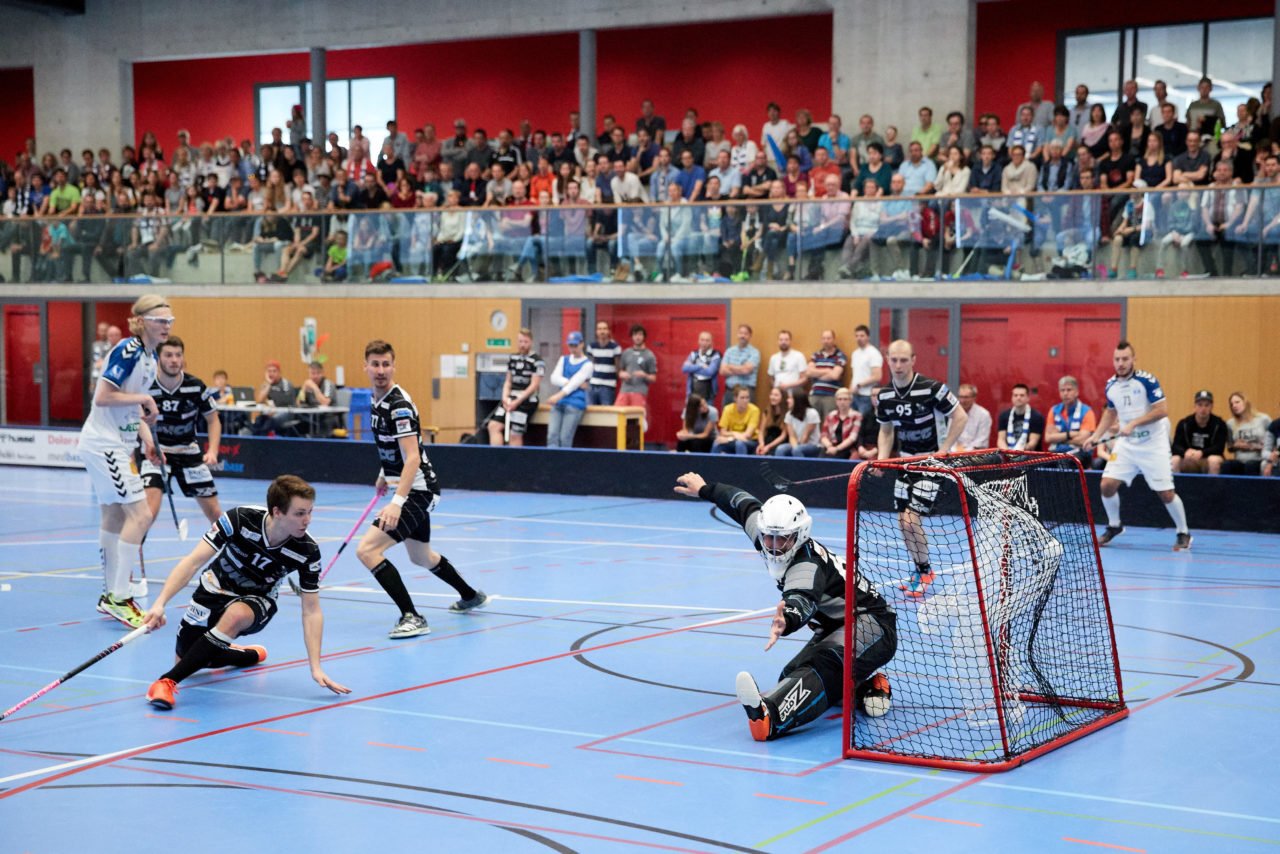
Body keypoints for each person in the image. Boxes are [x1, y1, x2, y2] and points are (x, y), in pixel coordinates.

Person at [673, 472, 895, 740]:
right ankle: (868, 687)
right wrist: (705, 488)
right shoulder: (767, 534)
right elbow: (742, 504)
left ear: (800, 535)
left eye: (783, 539)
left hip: (874, 626)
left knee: (826, 667)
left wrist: (786, 620)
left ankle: (769, 718)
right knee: (792, 677)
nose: (775, 546)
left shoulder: (807, 562)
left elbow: (802, 597)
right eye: (769, 538)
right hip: (838, 626)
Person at [142, 475, 350, 710]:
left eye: (310, 512)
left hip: (258, 600)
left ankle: (165, 682)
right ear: (278, 511)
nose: (308, 520)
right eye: (300, 513)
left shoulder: (307, 551)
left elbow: (312, 611)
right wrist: (160, 603)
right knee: (189, 658)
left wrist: (316, 667)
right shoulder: (239, 519)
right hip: (215, 587)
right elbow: (192, 562)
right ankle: (244, 655)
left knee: (235, 616)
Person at [356, 339, 488, 639]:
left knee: (367, 550)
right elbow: (396, 449)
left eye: (386, 364)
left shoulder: (398, 404)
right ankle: (471, 596)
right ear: (365, 366)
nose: (380, 370)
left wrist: (396, 501)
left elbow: (413, 456)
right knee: (421, 556)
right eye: (374, 364)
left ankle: (412, 616)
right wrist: (384, 473)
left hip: (418, 492)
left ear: (394, 366)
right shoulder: (377, 400)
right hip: (407, 487)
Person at [77, 295, 169, 627]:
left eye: (170, 321)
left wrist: (147, 440)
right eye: (161, 320)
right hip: (104, 444)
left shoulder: (149, 356)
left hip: (119, 443)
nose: (167, 326)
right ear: (142, 321)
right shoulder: (127, 351)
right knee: (140, 514)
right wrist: (145, 397)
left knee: (115, 515)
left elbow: (130, 409)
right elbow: (102, 397)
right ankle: (119, 596)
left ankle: (110, 595)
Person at [875, 339, 967, 596]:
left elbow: (960, 416)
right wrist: (883, 458)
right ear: (887, 360)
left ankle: (925, 570)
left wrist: (945, 448)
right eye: (894, 359)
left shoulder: (932, 389)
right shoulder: (884, 395)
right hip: (905, 463)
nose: (898, 365)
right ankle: (919, 569)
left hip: (931, 464)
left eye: (904, 360)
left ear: (914, 360)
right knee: (902, 523)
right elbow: (885, 430)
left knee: (911, 519)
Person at [1082, 341, 1191, 550]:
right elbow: (1111, 412)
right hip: (1127, 445)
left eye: (1125, 359)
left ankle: (1183, 532)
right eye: (1117, 359)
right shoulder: (1110, 385)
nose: (1121, 363)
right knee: (1106, 485)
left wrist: (1133, 423)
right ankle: (1114, 526)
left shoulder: (1146, 381)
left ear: (1133, 360)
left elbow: (1162, 410)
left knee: (1166, 493)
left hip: (1153, 444)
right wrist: (1096, 436)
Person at [142, 335, 223, 537]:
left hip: (189, 453)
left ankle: (236, 559)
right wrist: (148, 445)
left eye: (178, 355)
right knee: (148, 513)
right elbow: (135, 418)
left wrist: (212, 451)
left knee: (216, 514)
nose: (174, 360)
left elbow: (213, 420)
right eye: (168, 355)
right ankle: (128, 564)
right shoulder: (146, 386)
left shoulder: (196, 386)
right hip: (157, 454)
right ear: (158, 357)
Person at [488, 327, 544, 448]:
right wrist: (504, 398)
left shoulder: (537, 361)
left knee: (515, 433)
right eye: (520, 341)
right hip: (510, 398)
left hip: (526, 400)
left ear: (531, 342)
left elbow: (534, 385)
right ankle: (495, 460)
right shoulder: (513, 358)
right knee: (493, 426)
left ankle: (514, 464)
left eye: (525, 342)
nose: (522, 345)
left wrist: (517, 402)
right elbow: (508, 381)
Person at [545, 331, 593, 448]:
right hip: (559, 404)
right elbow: (553, 378)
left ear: (581, 344)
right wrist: (568, 382)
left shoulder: (588, 364)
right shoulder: (564, 359)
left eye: (575, 345)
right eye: (570, 345)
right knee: (552, 436)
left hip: (574, 404)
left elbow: (575, 383)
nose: (573, 349)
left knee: (565, 438)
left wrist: (559, 395)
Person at [1170, 390, 1228, 475]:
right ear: (1195, 406)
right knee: (1174, 460)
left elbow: (1219, 447)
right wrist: (1185, 452)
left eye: (1206, 405)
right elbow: (1176, 446)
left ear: (1211, 407)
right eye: (1200, 405)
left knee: (1214, 460)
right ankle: (1176, 488)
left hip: (1207, 458)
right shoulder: (1184, 423)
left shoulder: (1219, 424)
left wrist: (1202, 453)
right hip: (1188, 458)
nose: (1203, 409)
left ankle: (1213, 488)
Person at [1045, 375, 1097, 468]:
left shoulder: (1087, 412)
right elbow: (1048, 438)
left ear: (1076, 392)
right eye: (1062, 390)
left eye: (1069, 390)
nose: (1065, 393)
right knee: (1039, 463)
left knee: (1064, 462)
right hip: (1057, 452)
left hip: (1081, 453)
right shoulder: (1053, 410)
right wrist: (1071, 434)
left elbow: (1082, 441)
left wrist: (1059, 437)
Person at [1222, 392, 1272, 476]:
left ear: (1245, 402)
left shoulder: (1263, 419)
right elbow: (1230, 447)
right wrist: (1236, 446)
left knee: (1250, 465)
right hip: (1240, 460)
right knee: (1226, 465)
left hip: (1258, 459)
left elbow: (1273, 439)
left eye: (1237, 402)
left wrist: (1260, 447)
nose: (1234, 406)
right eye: (1231, 404)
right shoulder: (1230, 423)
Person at [616, 324, 657, 423]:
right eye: (635, 334)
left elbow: (653, 377)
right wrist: (622, 374)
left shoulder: (650, 355)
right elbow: (620, 371)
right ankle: (620, 438)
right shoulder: (626, 353)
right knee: (617, 415)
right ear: (632, 337)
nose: (637, 337)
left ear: (644, 337)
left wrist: (644, 374)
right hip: (625, 390)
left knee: (637, 419)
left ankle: (636, 438)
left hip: (639, 391)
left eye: (640, 334)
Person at [804, 329, 846, 421]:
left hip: (831, 395)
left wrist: (817, 373)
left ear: (834, 340)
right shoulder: (816, 355)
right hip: (814, 394)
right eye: (823, 338)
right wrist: (827, 370)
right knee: (811, 422)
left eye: (828, 338)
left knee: (830, 422)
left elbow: (835, 375)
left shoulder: (840, 355)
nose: (826, 341)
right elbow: (808, 373)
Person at [295, 360, 342, 438]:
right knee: (295, 426)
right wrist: (303, 388)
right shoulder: (307, 385)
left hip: (328, 417)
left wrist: (315, 387)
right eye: (313, 373)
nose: (315, 376)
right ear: (309, 374)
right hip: (312, 417)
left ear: (322, 373)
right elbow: (299, 402)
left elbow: (325, 403)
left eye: (318, 373)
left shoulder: (327, 384)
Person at [719, 323, 761, 409]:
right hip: (730, 391)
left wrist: (730, 366)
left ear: (750, 336)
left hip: (747, 392)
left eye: (746, 334)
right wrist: (741, 369)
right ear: (737, 334)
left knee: (746, 420)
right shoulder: (729, 351)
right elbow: (722, 371)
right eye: (741, 333)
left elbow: (746, 370)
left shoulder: (754, 352)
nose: (743, 336)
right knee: (727, 420)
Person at [996, 383, 1045, 451]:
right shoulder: (1004, 415)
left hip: (1030, 457)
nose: (1018, 398)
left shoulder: (1037, 417)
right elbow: (1001, 439)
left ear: (1028, 398)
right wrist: (1007, 453)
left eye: (1022, 395)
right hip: (1008, 455)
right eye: (1015, 395)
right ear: (1012, 398)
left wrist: (1017, 454)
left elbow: (1033, 442)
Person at [848, 325, 882, 419]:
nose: (859, 338)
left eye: (862, 335)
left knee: (862, 422)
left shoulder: (873, 353)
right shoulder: (855, 353)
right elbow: (854, 375)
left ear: (868, 337)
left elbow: (877, 376)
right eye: (857, 336)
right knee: (852, 422)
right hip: (855, 395)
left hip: (866, 396)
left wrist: (859, 385)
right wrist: (850, 390)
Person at [713, 386, 760, 454]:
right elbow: (722, 432)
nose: (745, 400)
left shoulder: (754, 410)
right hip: (733, 439)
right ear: (735, 398)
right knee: (717, 442)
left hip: (750, 441)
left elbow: (748, 435)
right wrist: (734, 434)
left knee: (739, 443)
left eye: (747, 397)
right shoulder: (728, 409)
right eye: (742, 398)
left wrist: (730, 439)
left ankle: (741, 464)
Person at [774, 388, 821, 457]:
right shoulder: (789, 415)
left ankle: (800, 467)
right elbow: (792, 436)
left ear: (797, 400)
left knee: (797, 450)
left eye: (790, 398)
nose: (787, 400)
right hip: (797, 444)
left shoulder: (812, 413)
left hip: (813, 445)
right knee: (780, 449)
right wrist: (795, 447)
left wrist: (796, 448)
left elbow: (805, 436)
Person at [585, 320, 622, 406]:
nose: (602, 331)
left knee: (606, 414)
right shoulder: (592, 346)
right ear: (596, 331)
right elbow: (591, 364)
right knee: (591, 413)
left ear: (609, 331)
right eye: (599, 329)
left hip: (608, 386)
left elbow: (617, 367)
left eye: (605, 329)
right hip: (593, 385)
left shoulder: (615, 347)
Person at [819, 388, 861, 458]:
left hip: (846, 448)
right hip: (830, 445)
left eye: (845, 399)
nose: (842, 402)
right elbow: (823, 435)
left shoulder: (857, 416)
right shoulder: (831, 415)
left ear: (850, 401)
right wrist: (829, 446)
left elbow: (852, 438)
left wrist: (837, 448)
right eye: (840, 399)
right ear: (836, 401)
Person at [681, 330, 721, 401]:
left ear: (712, 342)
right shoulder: (693, 354)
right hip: (692, 392)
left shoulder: (716, 355)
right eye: (702, 340)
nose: (704, 343)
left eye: (707, 340)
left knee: (708, 412)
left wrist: (693, 368)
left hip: (708, 393)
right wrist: (701, 365)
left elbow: (710, 371)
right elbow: (685, 368)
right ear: (698, 341)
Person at [952, 383, 992, 452]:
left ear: (974, 398)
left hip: (976, 455)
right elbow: (949, 437)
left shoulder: (983, 415)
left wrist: (962, 453)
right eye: (960, 397)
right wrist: (954, 452)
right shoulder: (953, 413)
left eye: (966, 397)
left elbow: (980, 442)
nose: (962, 400)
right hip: (953, 454)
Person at [767, 329, 806, 394]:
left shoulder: (799, 356)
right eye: (781, 340)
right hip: (778, 395)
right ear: (778, 341)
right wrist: (775, 389)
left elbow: (804, 379)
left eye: (786, 340)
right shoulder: (773, 358)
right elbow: (771, 378)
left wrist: (788, 385)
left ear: (790, 341)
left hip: (793, 394)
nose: (783, 342)